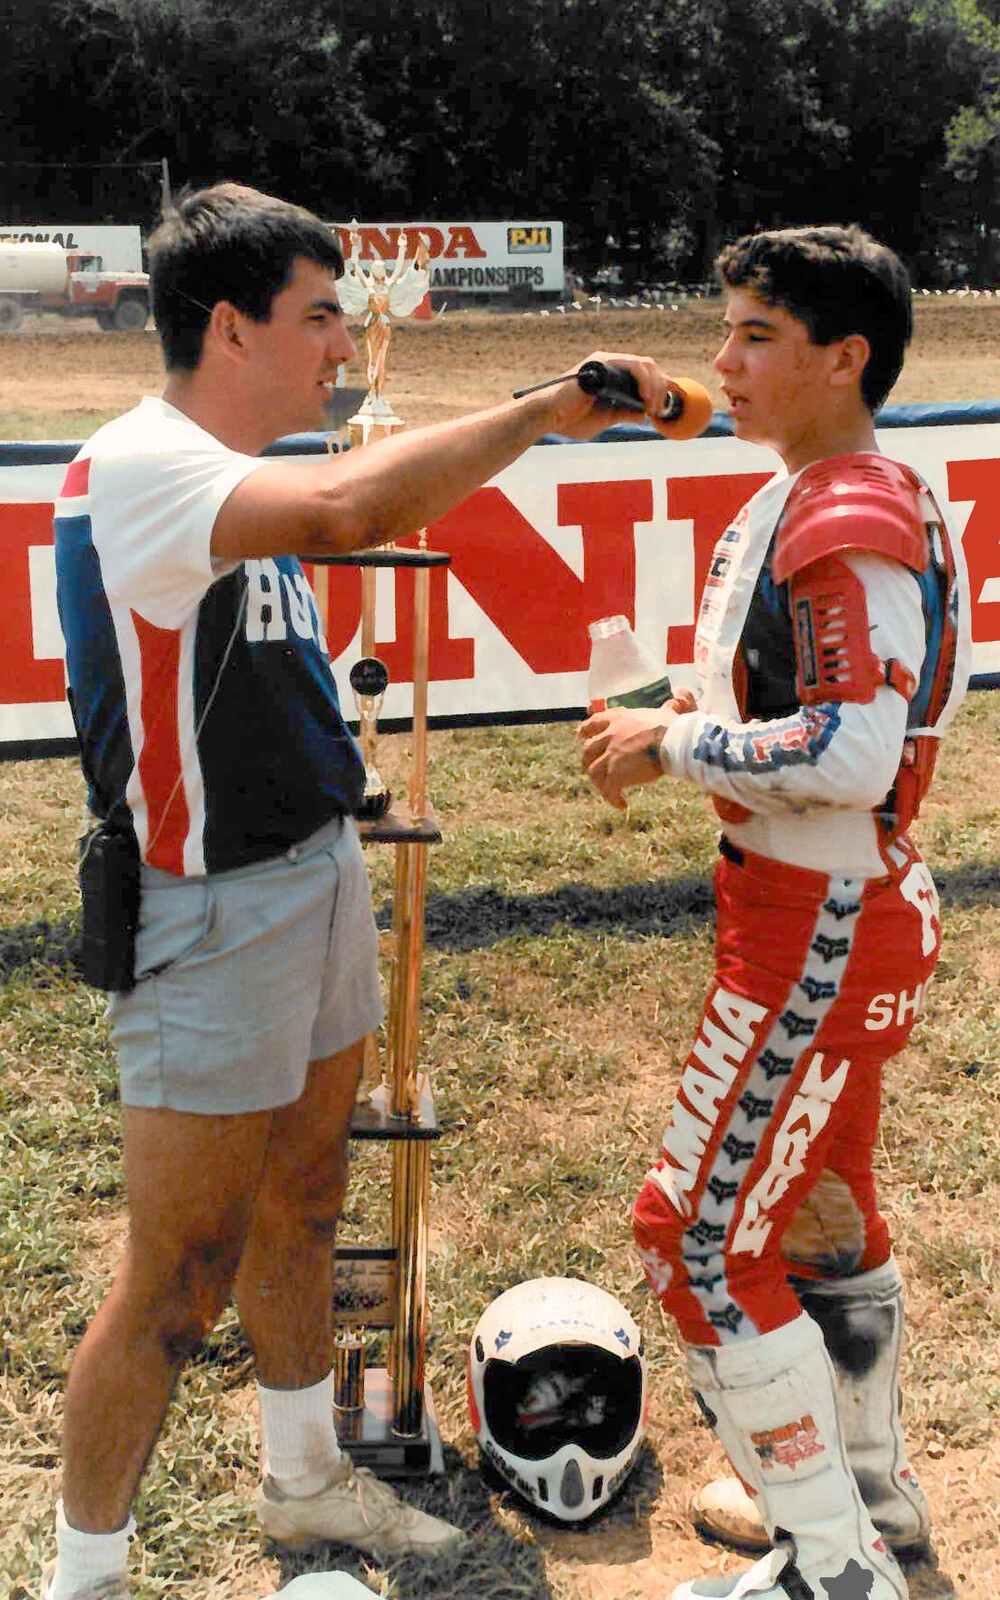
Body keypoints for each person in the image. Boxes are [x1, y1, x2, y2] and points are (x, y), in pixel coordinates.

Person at [48, 180, 683, 1600]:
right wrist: (537, 414)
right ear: (228, 326)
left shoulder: (230, 465)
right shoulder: (146, 463)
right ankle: (78, 1576)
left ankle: (305, 1487)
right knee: (174, 1282)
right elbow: (346, 509)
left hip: (308, 874)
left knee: (307, 1200)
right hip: (206, 913)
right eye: (320, 316)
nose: (344, 346)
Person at [580, 224, 970, 1600]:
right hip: (835, 902)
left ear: (842, 357)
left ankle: (831, 1560)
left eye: (755, 336)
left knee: (691, 1238)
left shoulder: (843, 508)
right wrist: (678, 715)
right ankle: (871, 1505)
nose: (723, 363)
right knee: (819, 1215)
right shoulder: (838, 489)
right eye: (725, 331)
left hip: (818, 916)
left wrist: (672, 748)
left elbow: (853, 750)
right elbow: (815, 721)